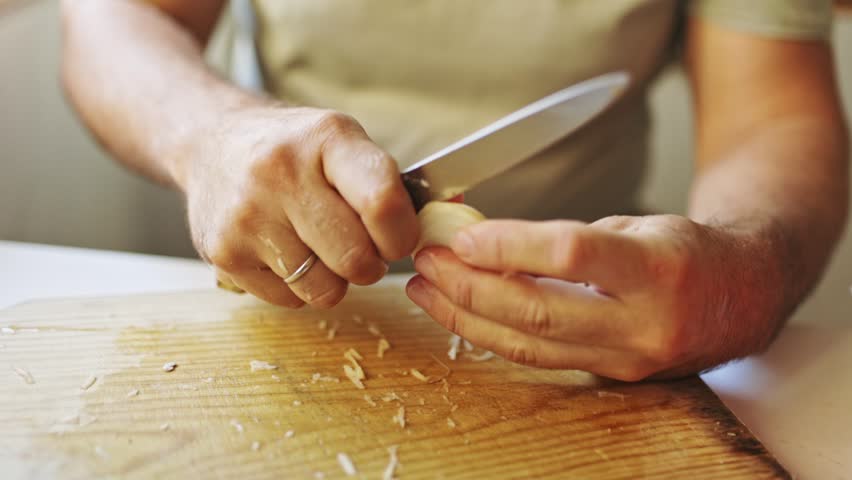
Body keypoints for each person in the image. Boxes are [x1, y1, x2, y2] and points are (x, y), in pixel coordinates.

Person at [61, 0, 848, 380]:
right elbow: (115, 18)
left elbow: (769, 115)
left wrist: (744, 273)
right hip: (278, 319)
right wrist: (212, 134)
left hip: (594, 348)